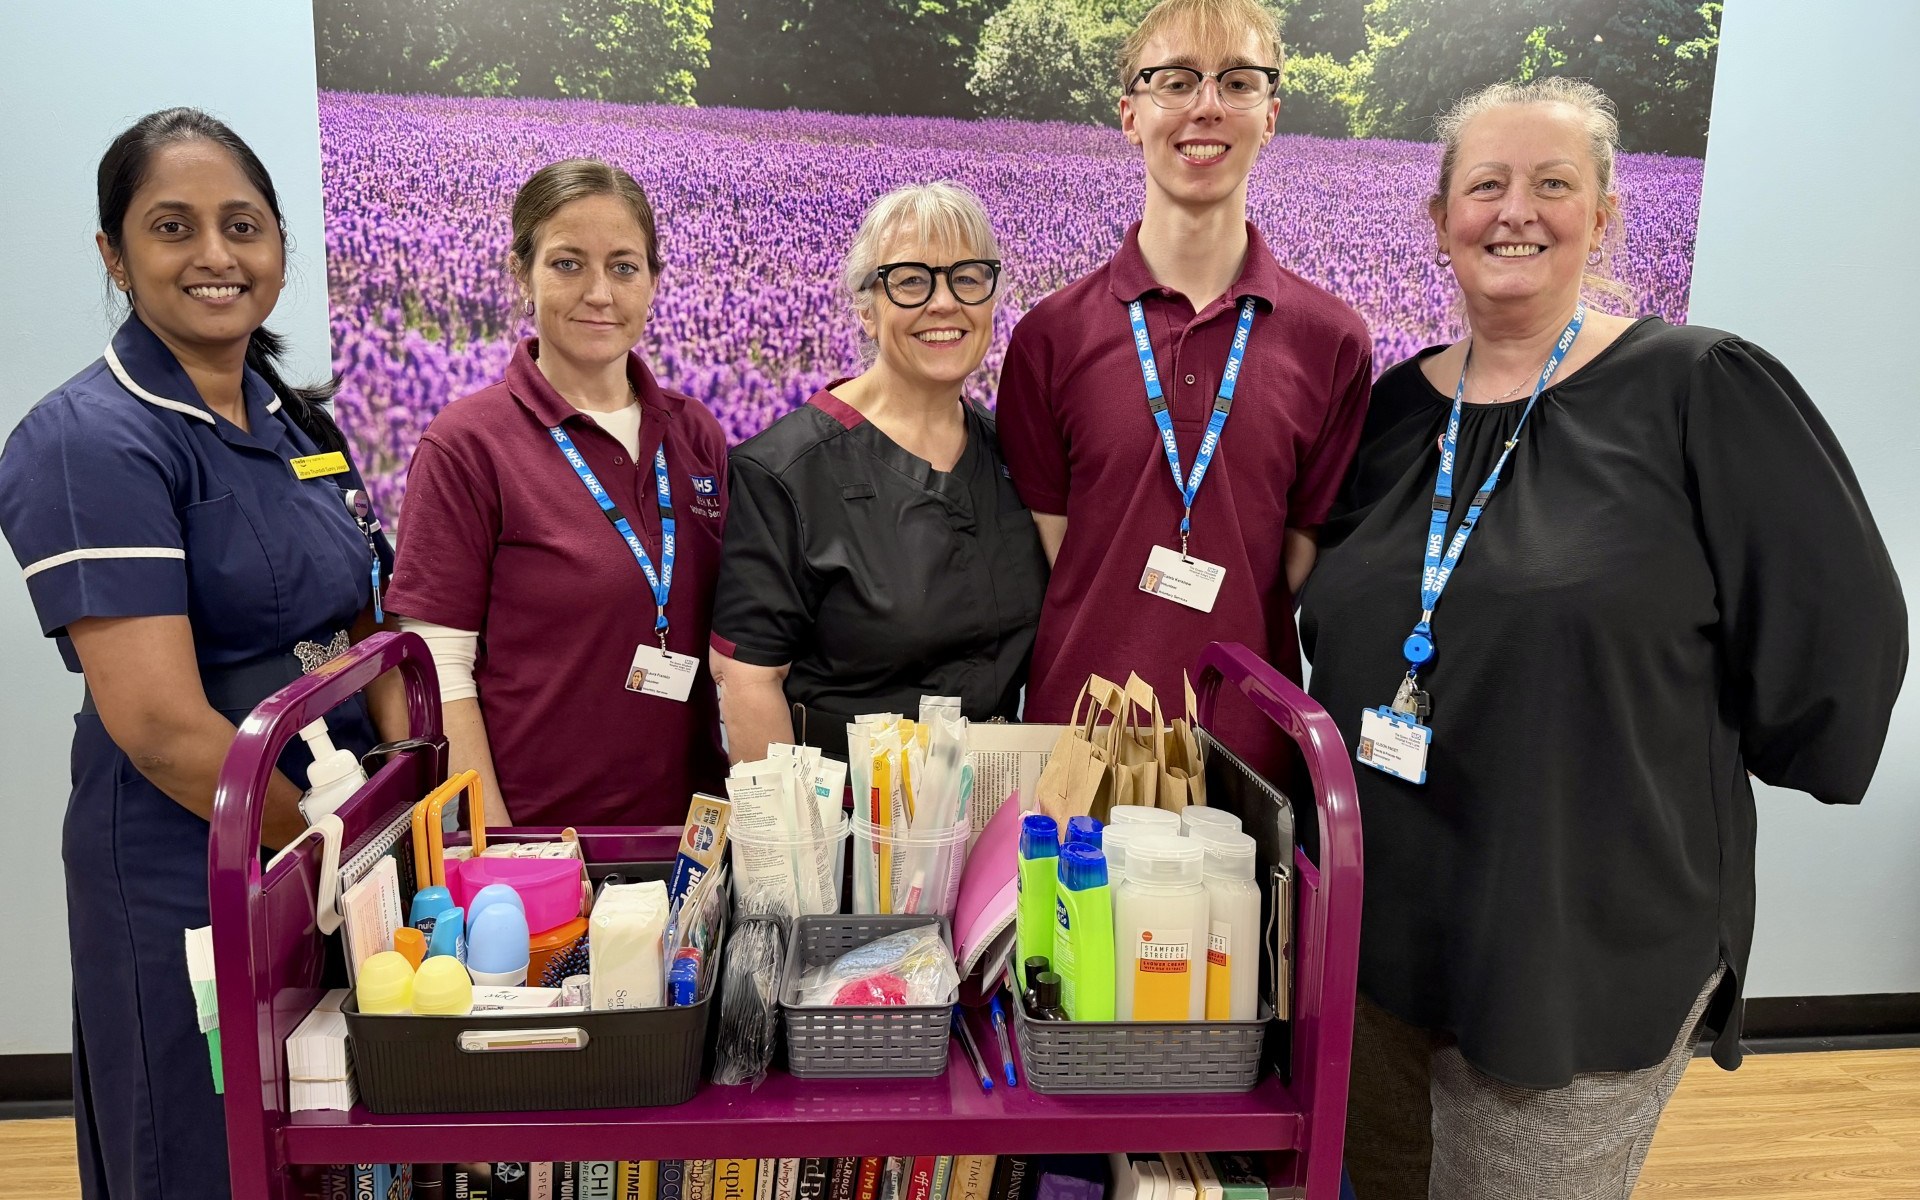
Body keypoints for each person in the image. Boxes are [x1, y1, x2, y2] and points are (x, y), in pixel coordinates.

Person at [1297, 78, 1907, 1199]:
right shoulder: (1392, 412)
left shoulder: (1696, 387)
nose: (1514, 210)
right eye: (1485, 184)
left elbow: (1839, 629)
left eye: (1553, 183)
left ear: (1607, 214)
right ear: (1440, 220)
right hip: (1383, 940)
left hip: (1576, 939)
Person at [0, 108, 404, 1200]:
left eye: (243, 225)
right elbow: (167, 733)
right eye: (173, 227)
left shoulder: (295, 419)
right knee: (198, 1149)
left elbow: (368, 618)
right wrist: (325, 855)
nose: (216, 256)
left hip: (325, 839)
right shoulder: (89, 440)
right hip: (204, 863)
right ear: (112, 255)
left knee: (318, 1142)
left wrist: (401, 810)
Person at [995, 0, 1372, 773]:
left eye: (1236, 82)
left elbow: (1292, 556)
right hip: (1076, 743)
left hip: (1248, 754)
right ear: (1131, 115)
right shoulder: (1048, 336)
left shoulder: (1332, 341)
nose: (1205, 105)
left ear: (1270, 115)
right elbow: (1062, 551)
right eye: (1176, 80)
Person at [386, 158, 729, 827]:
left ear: (654, 281)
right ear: (522, 274)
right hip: (545, 840)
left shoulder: (695, 433)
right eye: (568, 264)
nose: (599, 292)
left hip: (692, 835)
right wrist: (503, 849)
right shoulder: (467, 444)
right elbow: (440, 672)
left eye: (625, 267)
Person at [710, 182, 1048, 762]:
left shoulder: (1015, 456)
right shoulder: (783, 472)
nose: (944, 303)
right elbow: (747, 681)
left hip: (996, 812)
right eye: (911, 280)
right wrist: (801, 844)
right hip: (852, 828)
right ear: (866, 310)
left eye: (967, 277)